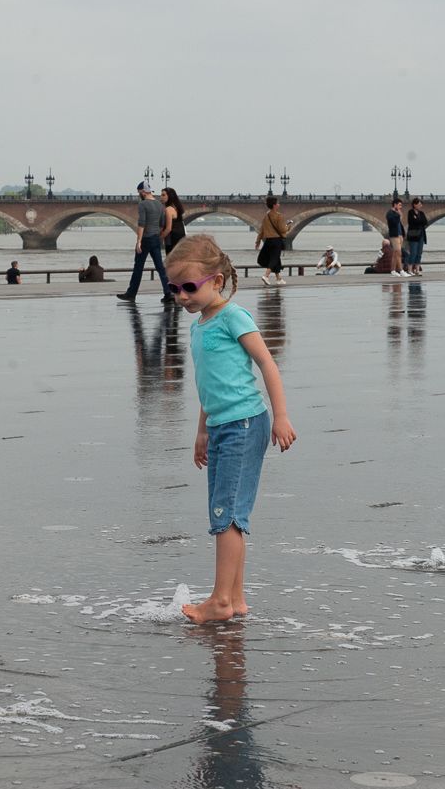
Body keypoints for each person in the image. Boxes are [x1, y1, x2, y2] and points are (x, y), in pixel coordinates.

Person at [163, 235, 295, 624]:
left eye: (190, 287)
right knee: (229, 514)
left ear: (216, 281)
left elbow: (267, 364)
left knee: (227, 516)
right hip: (221, 426)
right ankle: (234, 597)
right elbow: (210, 385)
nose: (182, 296)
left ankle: (220, 600)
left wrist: (282, 416)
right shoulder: (200, 326)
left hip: (245, 424)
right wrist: (201, 431)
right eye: (174, 288)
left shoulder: (233, 317)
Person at [118, 180, 175, 305]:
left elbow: (142, 223)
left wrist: (138, 241)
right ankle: (168, 292)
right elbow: (162, 224)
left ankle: (131, 294)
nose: (139, 195)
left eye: (139, 192)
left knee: (138, 267)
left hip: (145, 239)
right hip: (156, 239)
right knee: (160, 267)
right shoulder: (160, 205)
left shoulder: (143, 205)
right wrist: (158, 236)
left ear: (143, 192)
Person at [254, 195, 287, 288]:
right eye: (278, 203)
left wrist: (258, 241)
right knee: (274, 258)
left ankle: (279, 279)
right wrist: (288, 226)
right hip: (276, 240)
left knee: (275, 258)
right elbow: (282, 230)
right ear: (274, 205)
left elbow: (262, 230)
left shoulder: (266, 216)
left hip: (268, 240)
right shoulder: (279, 216)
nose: (279, 205)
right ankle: (266, 275)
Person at [384, 197, 407, 277]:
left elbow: (399, 224)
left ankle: (393, 271)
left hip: (399, 235)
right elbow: (393, 223)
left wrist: (402, 234)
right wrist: (398, 216)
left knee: (395, 253)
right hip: (394, 235)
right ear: (395, 205)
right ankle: (401, 270)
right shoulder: (390, 213)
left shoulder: (396, 213)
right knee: (399, 252)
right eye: (399, 205)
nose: (401, 207)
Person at [406, 197, 429, 276]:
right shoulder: (410, 212)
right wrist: (419, 221)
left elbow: (425, 222)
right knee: (413, 253)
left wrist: (417, 220)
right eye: (419, 204)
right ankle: (409, 270)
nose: (421, 205)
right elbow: (411, 222)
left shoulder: (421, 213)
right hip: (413, 236)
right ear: (414, 205)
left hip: (421, 235)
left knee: (419, 253)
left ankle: (417, 270)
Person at [161, 187, 187, 255]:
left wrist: (159, 238)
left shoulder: (168, 209)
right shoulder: (177, 208)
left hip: (171, 240)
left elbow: (168, 228)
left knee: (170, 261)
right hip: (180, 238)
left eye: (163, 195)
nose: (161, 197)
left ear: (169, 196)